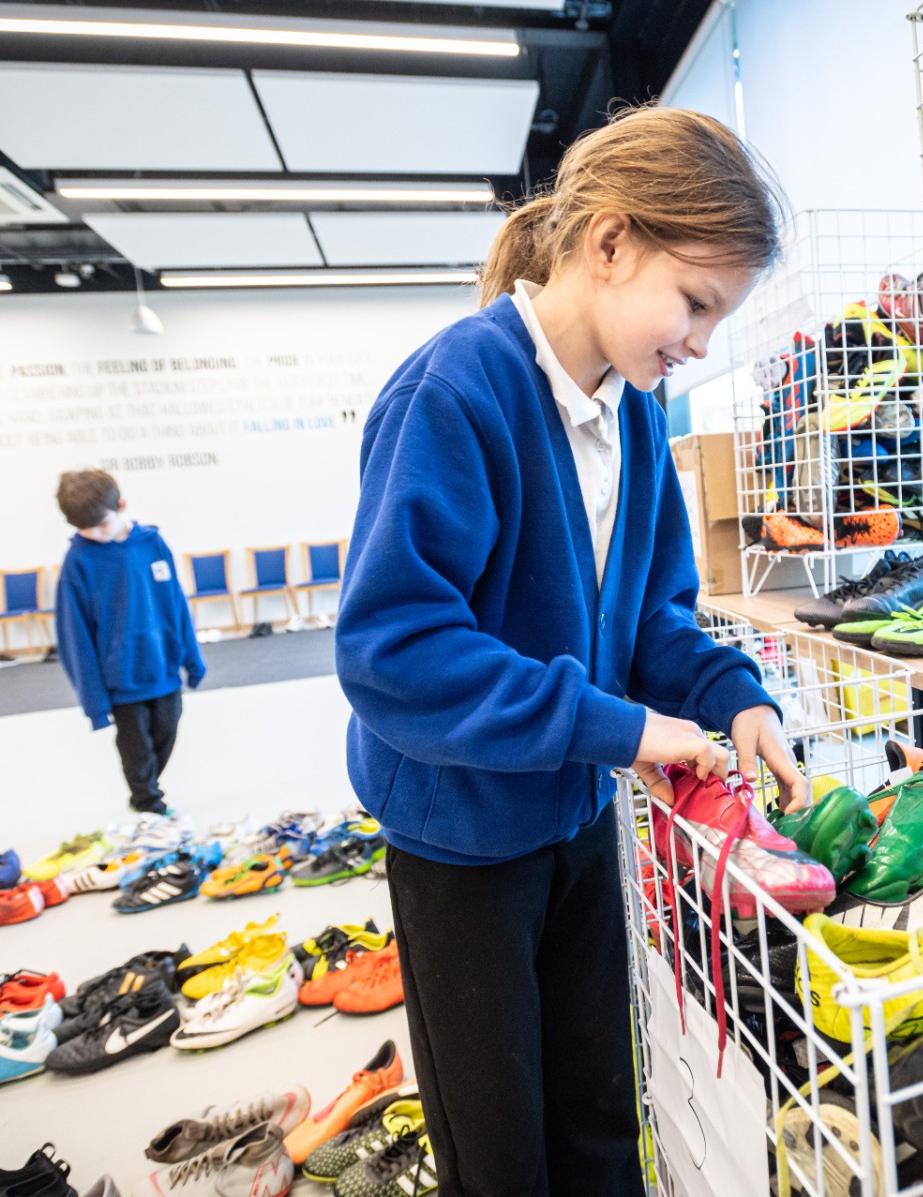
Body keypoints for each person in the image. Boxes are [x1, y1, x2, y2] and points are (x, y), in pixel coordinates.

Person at [335, 104, 809, 1197]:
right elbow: (393, 649)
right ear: (609, 243)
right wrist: (620, 726)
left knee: (603, 1113)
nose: (697, 341)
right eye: (694, 303)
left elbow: (653, 617)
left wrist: (735, 698)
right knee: (502, 1153)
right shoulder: (455, 394)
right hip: (461, 845)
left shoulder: (638, 414)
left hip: (576, 819)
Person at [52, 469, 205, 817]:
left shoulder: (152, 544)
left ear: (122, 504)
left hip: (163, 666)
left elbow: (175, 604)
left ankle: (147, 790)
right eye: (85, 530)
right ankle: (148, 804)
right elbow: (75, 636)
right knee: (136, 748)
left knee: (167, 730)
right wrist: (93, 700)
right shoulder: (78, 561)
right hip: (120, 679)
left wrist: (192, 659)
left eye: (102, 525)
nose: (96, 535)